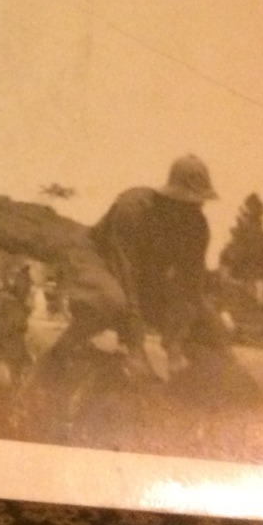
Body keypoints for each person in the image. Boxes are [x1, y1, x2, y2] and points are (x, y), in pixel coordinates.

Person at [44, 154, 223, 380]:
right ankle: (57, 358)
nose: (193, 209)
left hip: (141, 276)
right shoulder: (133, 208)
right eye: (186, 201)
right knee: (109, 299)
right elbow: (124, 273)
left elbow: (190, 289)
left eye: (198, 202)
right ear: (170, 197)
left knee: (209, 323)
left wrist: (174, 346)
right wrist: (135, 347)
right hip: (98, 259)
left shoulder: (197, 227)